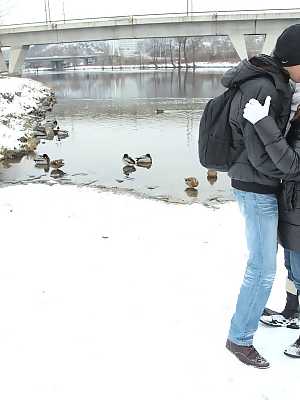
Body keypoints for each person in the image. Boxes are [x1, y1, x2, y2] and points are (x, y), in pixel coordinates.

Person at [223, 24, 300, 369]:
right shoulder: (263, 86)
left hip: (258, 185)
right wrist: (288, 173)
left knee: (267, 265)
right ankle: (239, 339)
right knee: (262, 268)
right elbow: (261, 154)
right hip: (256, 188)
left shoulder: (275, 83)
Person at [243, 83, 300, 358]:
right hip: (292, 203)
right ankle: (292, 312)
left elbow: (292, 165)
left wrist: (264, 124)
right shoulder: (295, 109)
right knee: (292, 266)